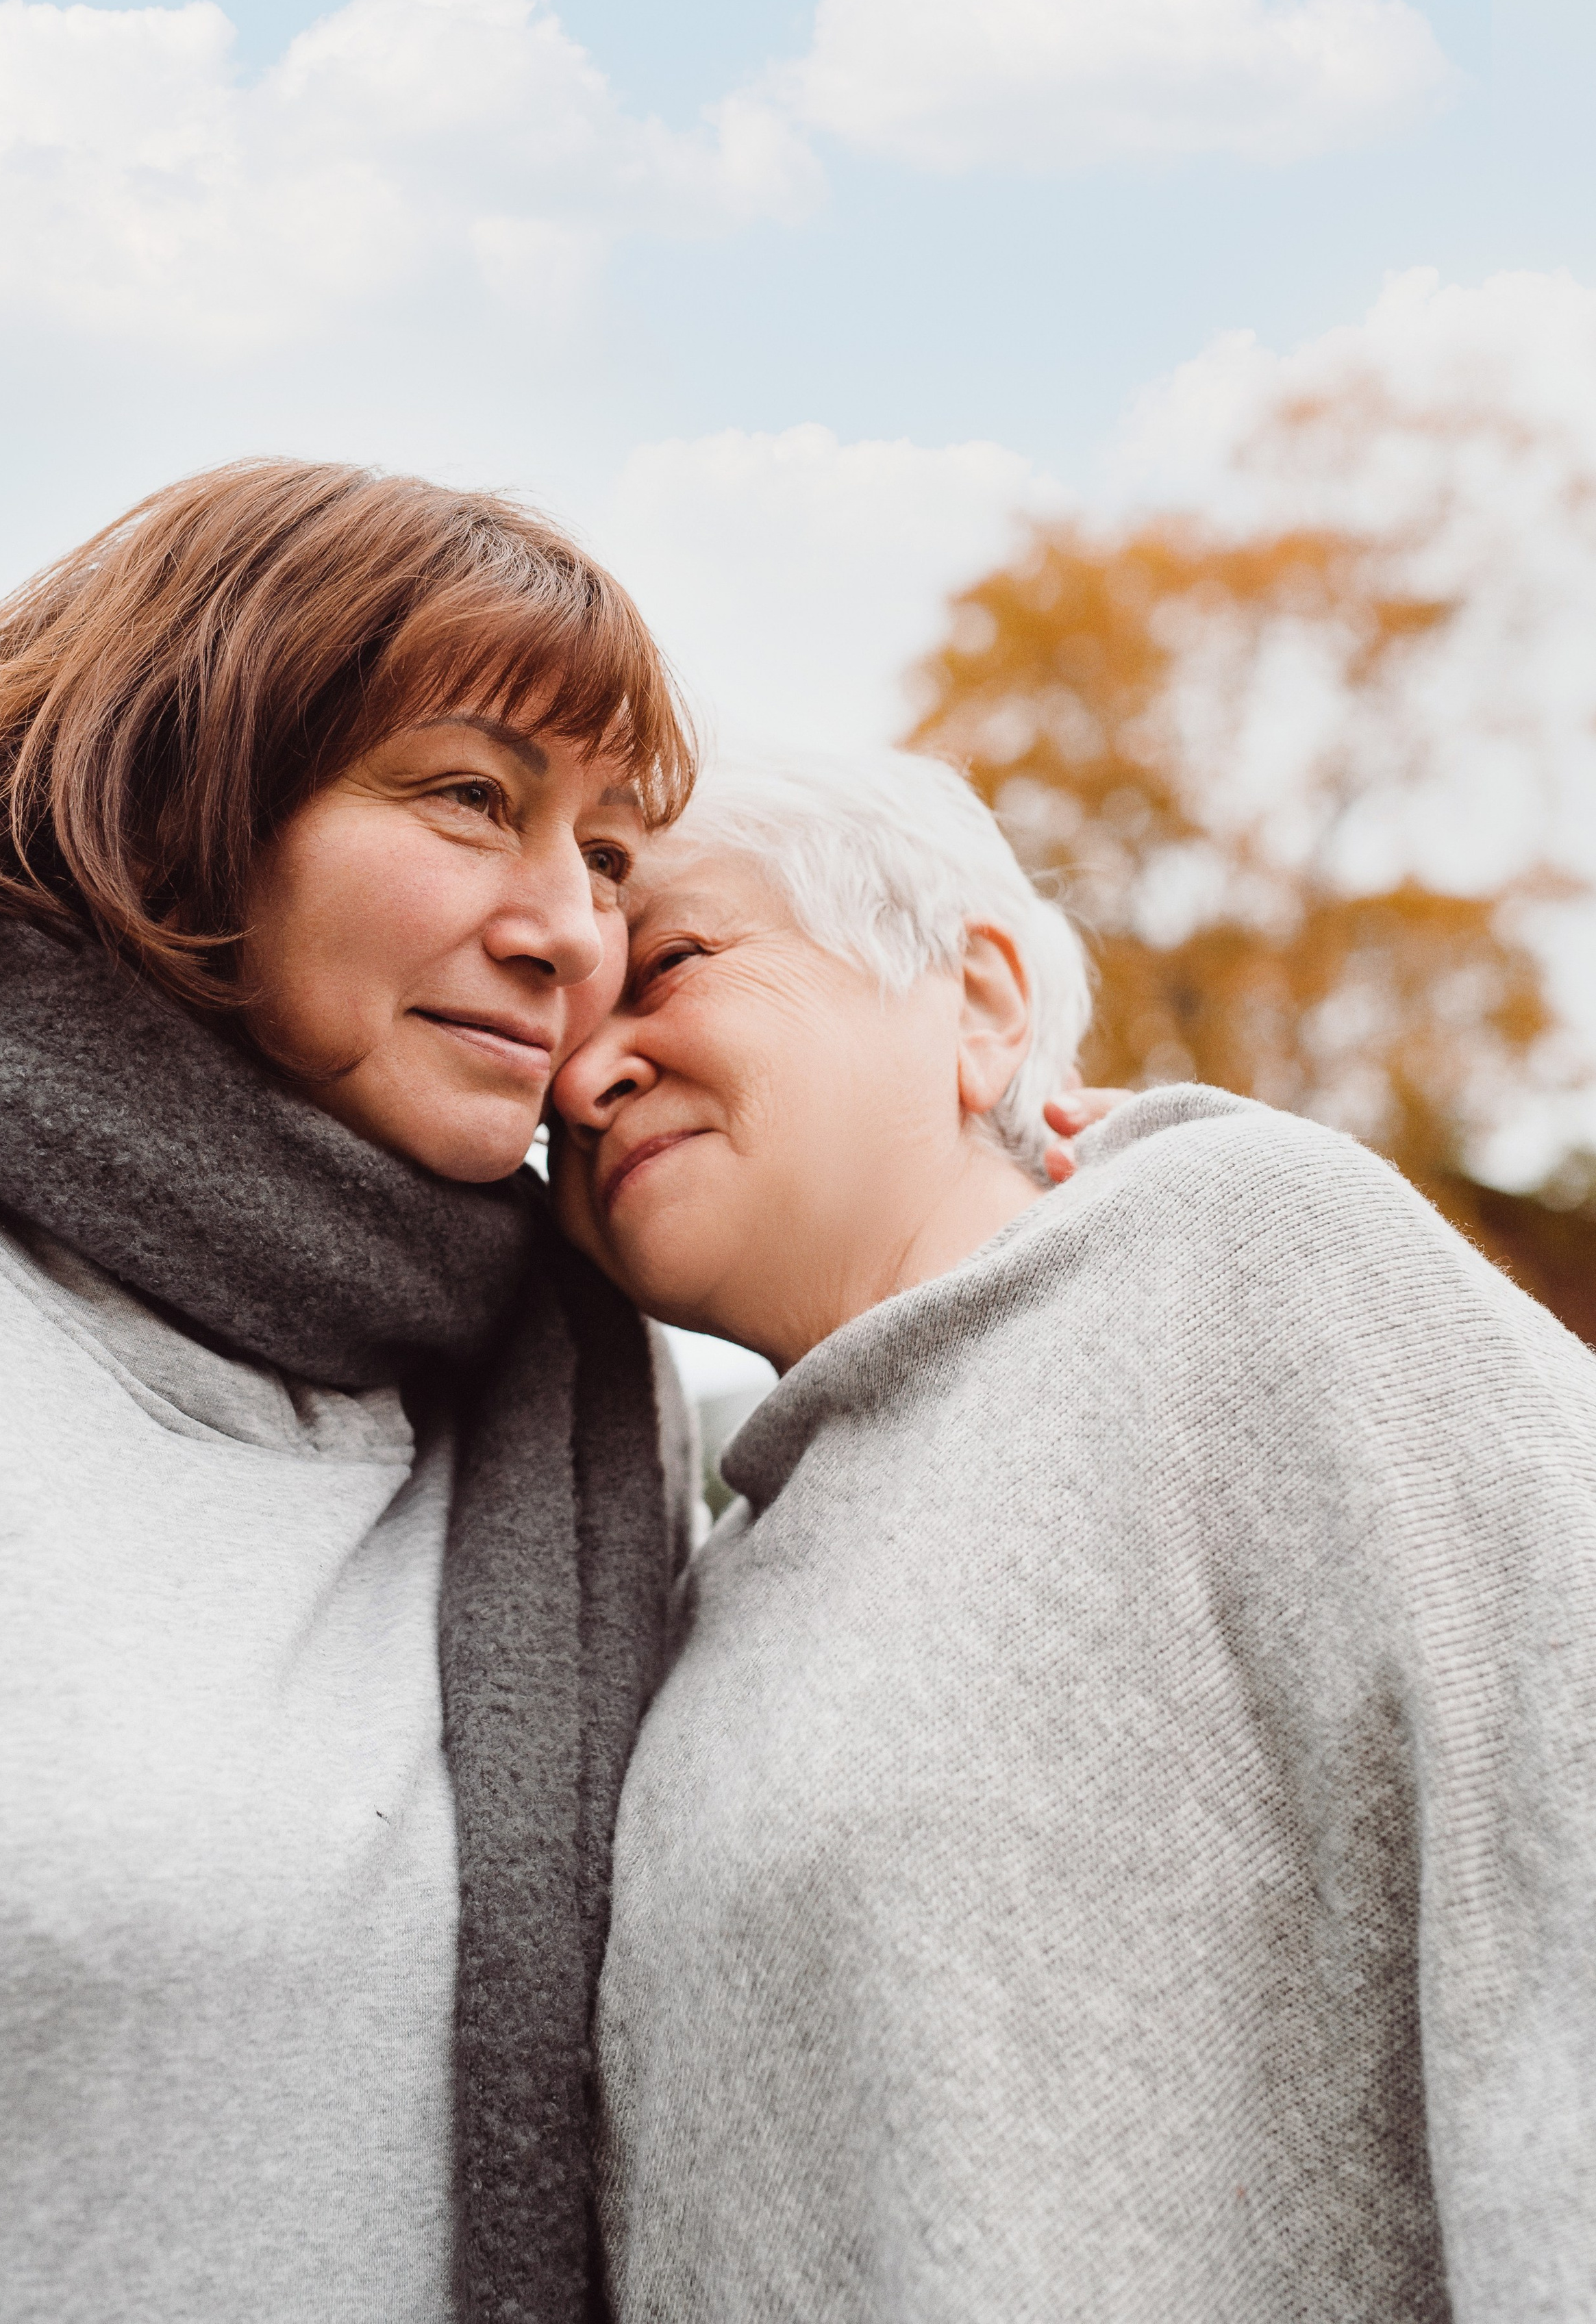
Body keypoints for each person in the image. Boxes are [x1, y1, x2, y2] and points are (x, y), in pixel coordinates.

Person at [551, 747, 1596, 2323]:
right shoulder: (700, 1592)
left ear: (975, 1000)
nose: (582, 1081)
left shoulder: (1244, 1253)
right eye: (557, 1058)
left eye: (671, 966)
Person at [0, 458, 703, 2324]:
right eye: (470, 798)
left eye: (610, 857)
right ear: (180, 792)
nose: (570, 933)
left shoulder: (578, 1382)